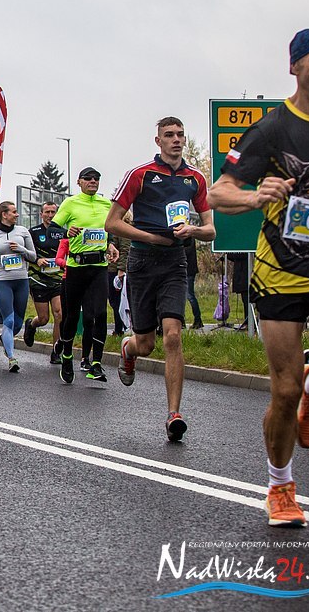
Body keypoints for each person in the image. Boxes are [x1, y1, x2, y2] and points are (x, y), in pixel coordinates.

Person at [208, 28, 309, 526]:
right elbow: (218, 193)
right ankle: (280, 485)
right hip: (281, 272)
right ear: (294, 66)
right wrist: (256, 196)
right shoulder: (271, 130)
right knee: (283, 390)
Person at [107, 117, 215, 440]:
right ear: (158, 141)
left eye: (180, 134)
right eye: (169, 135)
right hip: (142, 261)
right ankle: (128, 350)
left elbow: (211, 230)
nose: (176, 139)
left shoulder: (195, 179)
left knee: (173, 337)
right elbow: (112, 222)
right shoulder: (140, 174)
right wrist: (150, 237)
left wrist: (193, 230)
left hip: (174, 262)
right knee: (146, 344)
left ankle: (173, 415)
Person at [52, 167, 119, 384]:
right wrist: (66, 232)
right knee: (72, 316)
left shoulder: (105, 204)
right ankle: (67, 356)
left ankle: (96, 363)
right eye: (88, 178)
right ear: (79, 182)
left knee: (100, 313)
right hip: (77, 267)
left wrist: (110, 244)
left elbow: (110, 228)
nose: (93, 181)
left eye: (96, 178)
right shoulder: (71, 203)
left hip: (99, 266)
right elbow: (52, 230)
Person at [0, 201, 35, 371]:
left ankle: (5, 338)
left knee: (17, 323)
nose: (17, 215)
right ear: (4, 214)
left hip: (21, 280)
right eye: (14, 212)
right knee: (8, 320)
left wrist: (21, 249)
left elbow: (33, 256)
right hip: (2, 280)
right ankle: (12, 358)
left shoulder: (23, 232)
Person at [24, 202, 65, 363]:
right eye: (47, 212)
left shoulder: (62, 232)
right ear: (41, 214)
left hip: (58, 279)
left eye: (53, 212)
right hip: (38, 279)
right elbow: (25, 253)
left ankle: (56, 351)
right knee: (44, 319)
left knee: (59, 314)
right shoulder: (33, 232)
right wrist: (37, 260)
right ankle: (31, 325)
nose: (50, 215)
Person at [183, 237, 204, 329]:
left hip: (188, 270)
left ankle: (198, 319)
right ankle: (182, 320)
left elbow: (186, 252)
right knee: (185, 296)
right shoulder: (189, 237)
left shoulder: (188, 238)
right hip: (188, 269)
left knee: (190, 295)